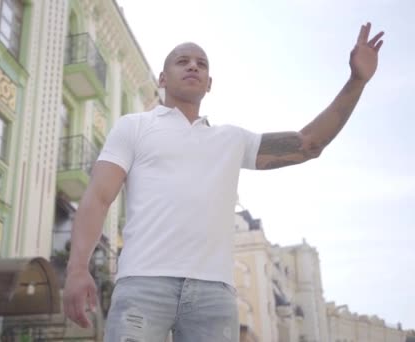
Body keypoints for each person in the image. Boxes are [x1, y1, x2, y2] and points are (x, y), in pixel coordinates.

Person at [63, 23, 384, 342]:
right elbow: (98, 197)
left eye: (201, 64)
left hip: (213, 294)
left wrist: (356, 81)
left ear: (209, 83)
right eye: (183, 61)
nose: (193, 66)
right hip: (144, 284)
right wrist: (78, 269)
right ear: (162, 78)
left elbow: (308, 145)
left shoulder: (231, 139)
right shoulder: (133, 127)